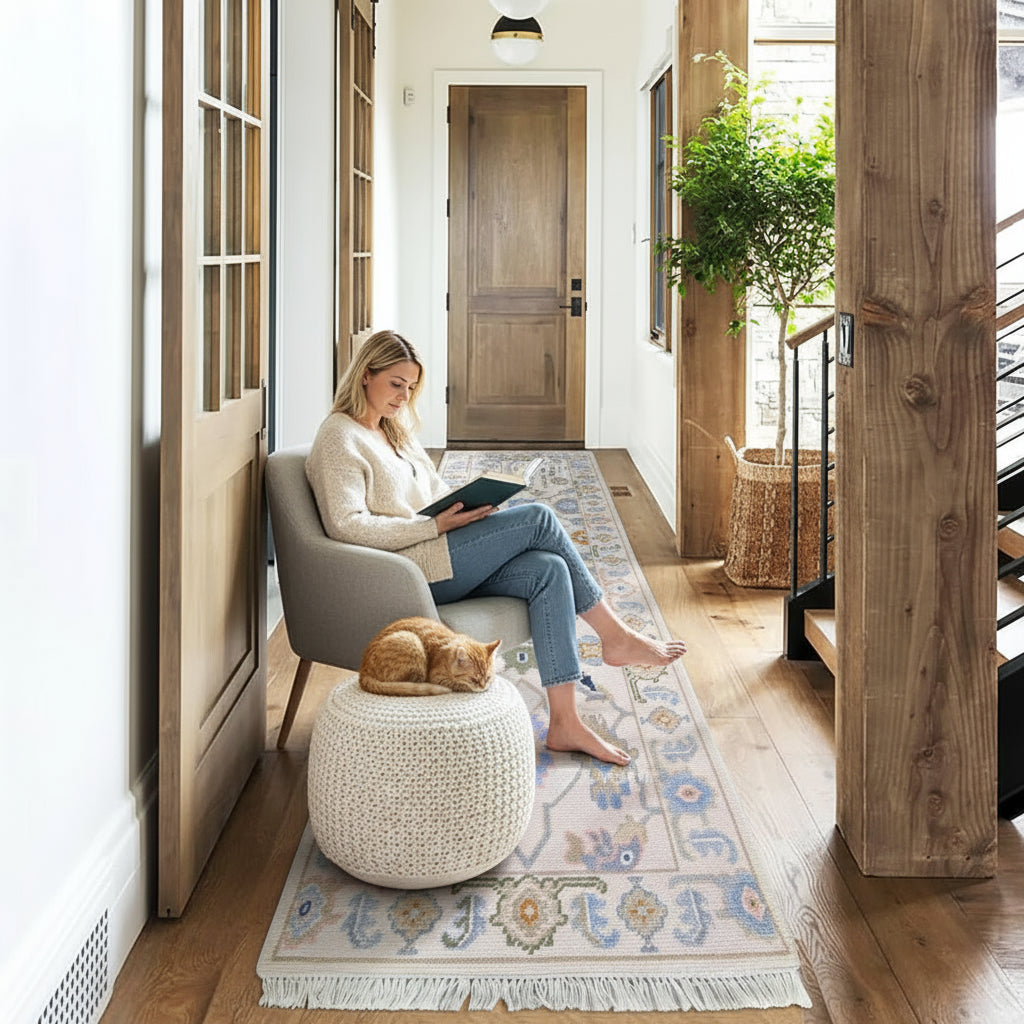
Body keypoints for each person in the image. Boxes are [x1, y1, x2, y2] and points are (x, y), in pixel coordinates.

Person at [305, 329, 687, 765]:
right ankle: (615, 636)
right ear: (365, 375)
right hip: (407, 570)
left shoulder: (395, 430)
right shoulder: (339, 436)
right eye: (395, 384)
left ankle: (565, 722)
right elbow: (346, 526)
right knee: (539, 518)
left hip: (440, 547)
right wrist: (432, 527)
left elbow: (432, 491)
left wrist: (463, 506)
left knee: (549, 569)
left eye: (410, 387)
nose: (403, 396)